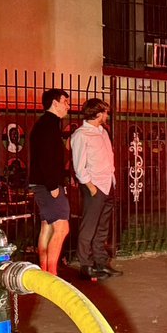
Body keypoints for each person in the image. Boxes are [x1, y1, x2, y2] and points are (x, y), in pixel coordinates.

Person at [70, 98, 122, 280]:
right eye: (105, 112)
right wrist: (91, 187)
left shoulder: (103, 132)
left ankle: (100, 262)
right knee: (89, 226)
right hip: (95, 186)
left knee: (102, 227)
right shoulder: (81, 135)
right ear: (98, 114)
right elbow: (79, 165)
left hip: (107, 184)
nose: (107, 115)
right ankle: (85, 265)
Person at [27, 88, 71, 275]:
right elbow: (47, 157)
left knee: (47, 226)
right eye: (65, 101)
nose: (68, 106)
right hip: (48, 184)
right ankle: (52, 274)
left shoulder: (44, 124)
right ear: (55, 103)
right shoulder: (49, 125)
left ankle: (45, 272)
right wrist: (53, 185)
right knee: (61, 228)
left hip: (41, 183)